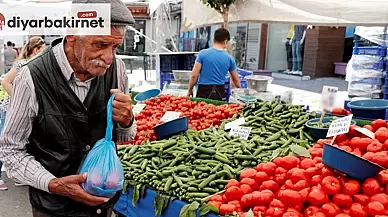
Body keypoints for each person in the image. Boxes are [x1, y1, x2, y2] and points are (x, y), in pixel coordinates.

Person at [0, 0, 136, 216]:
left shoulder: (117, 69)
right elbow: (11, 151)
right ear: (72, 35)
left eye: (115, 47)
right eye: (100, 44)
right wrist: (53, 183)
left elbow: (124, 138)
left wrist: (128, 121)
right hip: (53, 209)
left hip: (102, 206)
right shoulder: (32, 76)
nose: (109, 58)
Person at [187, 28, 241, 101]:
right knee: (217, 112)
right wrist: (241, 91)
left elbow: (194, 75)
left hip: (203, 92)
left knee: (201, 111)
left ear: (213, 39)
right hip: (220, 93)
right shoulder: (229, 58)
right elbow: (236, 80)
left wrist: (190, 90)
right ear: (225, 42)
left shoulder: (202, 54)